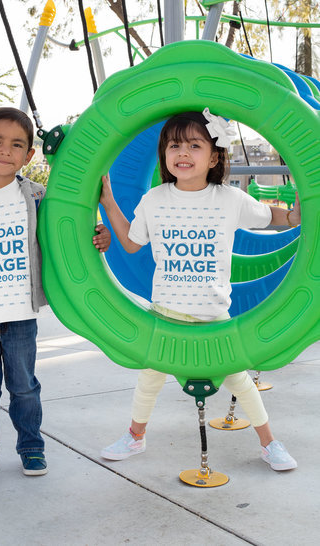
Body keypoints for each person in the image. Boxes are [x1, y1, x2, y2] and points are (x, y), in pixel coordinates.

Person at [99, 108, 300, 472]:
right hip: (166, 313)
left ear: (214, 156)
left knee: (240, 381)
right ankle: (135, 435)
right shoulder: (155, 200)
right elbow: (130, 243)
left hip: (213, 315)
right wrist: (108, 203)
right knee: (149, 379)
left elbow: (271, 217)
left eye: (194, 145)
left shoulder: (228, 199)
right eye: (174, 145)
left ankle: (270, 443)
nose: (183, 153)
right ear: (163, 155)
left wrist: (294, 214)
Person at [0, 107, 111, 485]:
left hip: (19, 315)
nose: (5, 150)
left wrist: (99, 234)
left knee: (25, 387)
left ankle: (32, 447)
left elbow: (70, 227)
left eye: (17, 144)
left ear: (29, 155)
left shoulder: (37, 197)